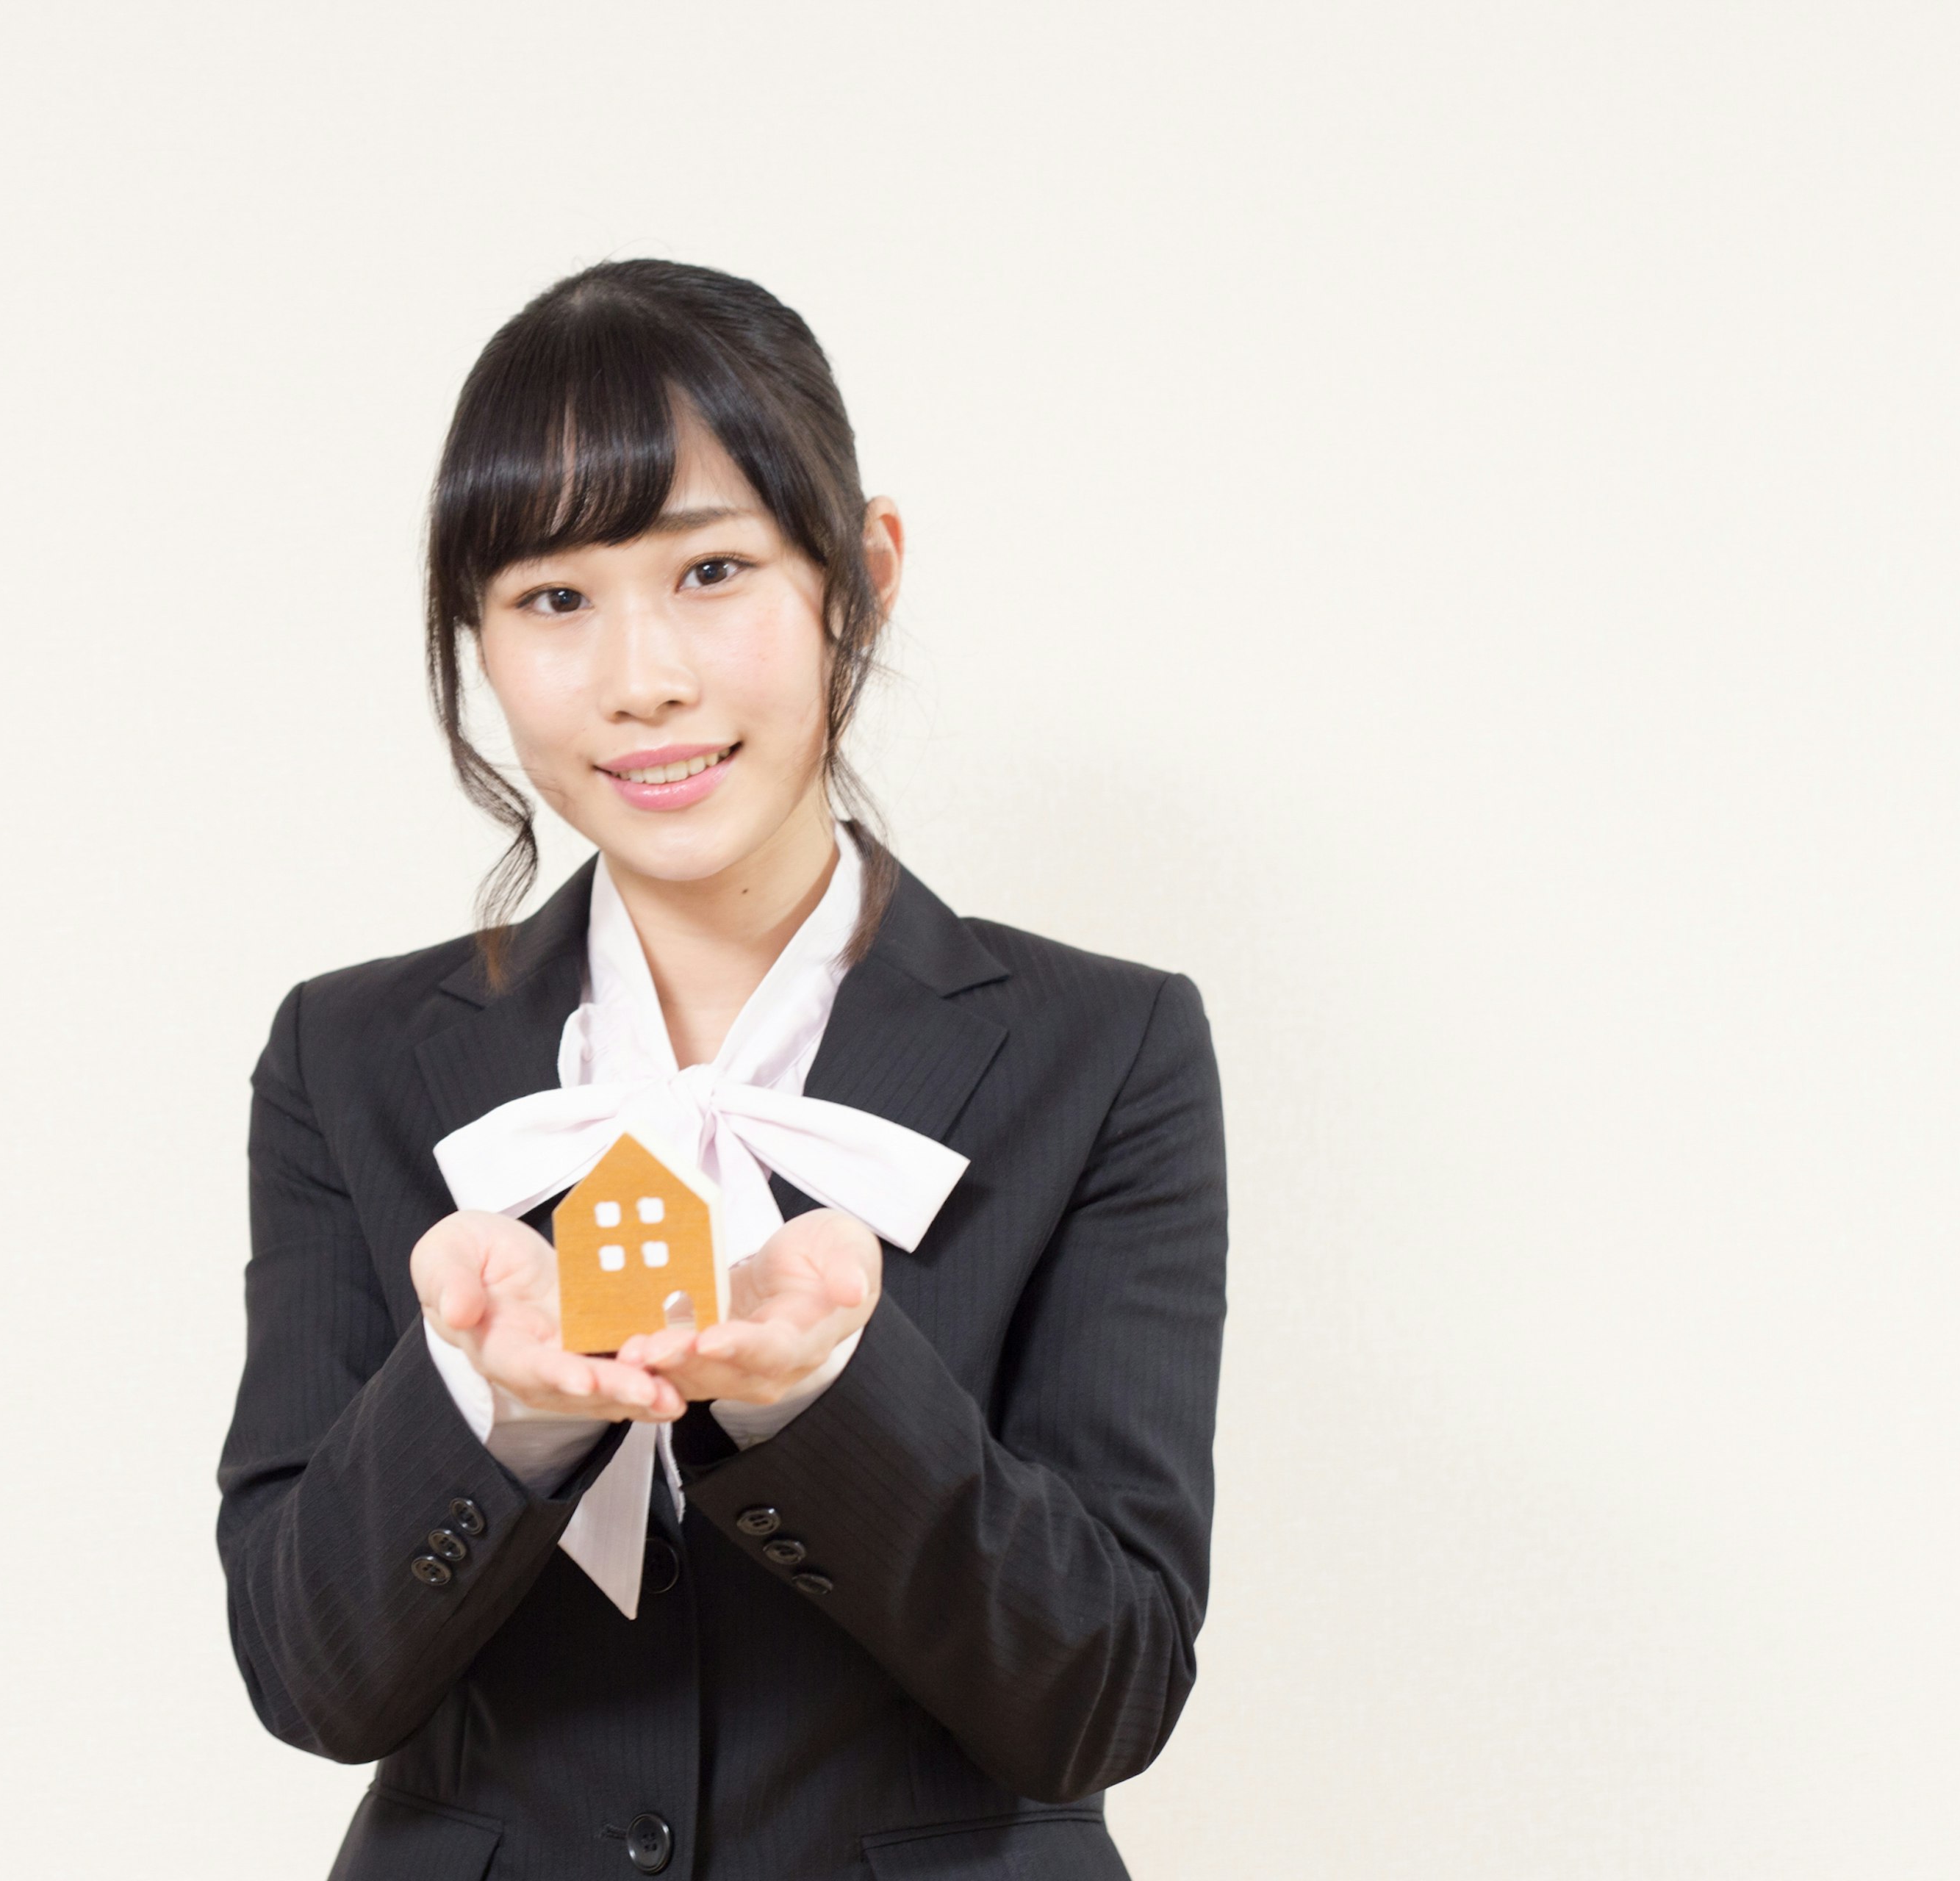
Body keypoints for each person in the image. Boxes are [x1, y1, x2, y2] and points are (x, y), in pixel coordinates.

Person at [215, 259, 1228, 1881]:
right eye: (553, 598)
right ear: (475, 631)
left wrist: (829, 1394)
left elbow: (1101, 1692)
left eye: (711, 570)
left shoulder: (1104, 1048)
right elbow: (308, 1673)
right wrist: (491, 1404)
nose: (642, 680)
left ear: (862, 571)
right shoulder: (347, 1054)